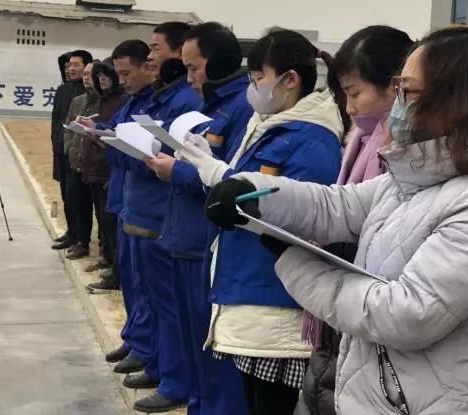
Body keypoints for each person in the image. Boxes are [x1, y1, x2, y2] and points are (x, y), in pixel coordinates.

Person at [205, 26, 468, 415]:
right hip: (377, 398)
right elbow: (334, 206)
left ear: (454, 99)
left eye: (406, 90)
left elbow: (405, 314)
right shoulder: (414, 177)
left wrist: (292, 262)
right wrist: (254, 194)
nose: (397, 103)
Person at [179, 28, 344, 415]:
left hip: (276, 300)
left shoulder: (312, 139)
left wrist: (219, 176)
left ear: (290, 80)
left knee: (272, 405)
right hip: (250, 291)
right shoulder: (269, 126)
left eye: (258, 78)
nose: (253, 88)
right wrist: (215, 170)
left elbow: (295, 216)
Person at [293, 26, 414, 415]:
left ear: (395, 87)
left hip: (367, 331)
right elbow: (336, 206)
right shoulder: (358, 143)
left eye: (355, 92)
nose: (349, 108)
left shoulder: (406, 159)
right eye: (343, 94)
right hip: (338, 329)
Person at [82, 28, 202, 412]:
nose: (150, 57)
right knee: (141, 289)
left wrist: (118, 148)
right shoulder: (155, 98)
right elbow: (130, 145)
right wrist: (108, 139)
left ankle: (170, 375)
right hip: (136, 205)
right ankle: (147, 351)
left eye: (155, 49)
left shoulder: (184, 102)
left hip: (159, 212)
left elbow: (162, 160)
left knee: (167, 303)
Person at [145, 22, 254, 415]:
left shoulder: (241, 108)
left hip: (206, 241)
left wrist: (177, 171)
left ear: (217, 62)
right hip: (184, 234)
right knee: (191, 339)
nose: (188, 77)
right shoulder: (209, 105)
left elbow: (232, 181)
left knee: (212, 347)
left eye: (193, 67)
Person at [83, 58, 128, 287]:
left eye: (106, 75)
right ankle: (110, 259)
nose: (101, 80)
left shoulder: (124, 101)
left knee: (113, 220)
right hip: (97, 164)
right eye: (98, 76)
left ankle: (116, 266)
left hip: (111, 168)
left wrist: (99, 135)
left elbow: (117, 135)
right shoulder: (104, 100)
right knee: (104, 218)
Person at [51, 50, 93, 251]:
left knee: (80, 198)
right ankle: (71, 232)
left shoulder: (89, 94)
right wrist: (57, 146)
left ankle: (81, 238)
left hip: (80, 155)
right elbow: (56, 120)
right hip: (62, 151)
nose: (71, 69)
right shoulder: (63, 90)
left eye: (76, 65)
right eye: (69, 65)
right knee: (66, 196)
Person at [62, 62, 99, 260]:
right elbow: (68, 127)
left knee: (100, 209)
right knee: (79, 204)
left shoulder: (104, 102)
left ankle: (104, 248)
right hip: (76, 161)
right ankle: (81, 242)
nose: (86, 78)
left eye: (89, 74)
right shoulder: (77, 101)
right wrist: (69, 148)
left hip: (95, 164)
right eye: (84, 74)